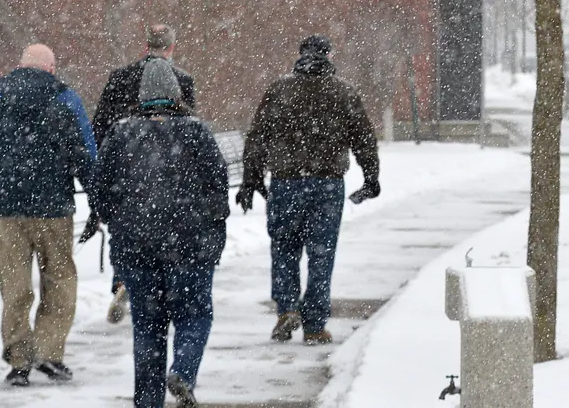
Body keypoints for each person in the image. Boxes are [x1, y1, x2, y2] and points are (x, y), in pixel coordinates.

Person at [0, 43, 96, 388]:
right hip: (53, 209)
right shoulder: (65, 99)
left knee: (15, 286)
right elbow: (85, 151)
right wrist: (99, 199)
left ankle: (19, 359)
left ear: (20, 66)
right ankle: (49, 352)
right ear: (51, 68)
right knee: (60, 281)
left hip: (8, 210)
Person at [90, 60, 229, 408]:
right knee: (194, 314)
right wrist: (211, 231)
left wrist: (119, 221)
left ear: (141, 96)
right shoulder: (197, 132)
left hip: (138, 247)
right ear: (176, 95)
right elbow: (218, 187)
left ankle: (148, 401)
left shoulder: (121, 132)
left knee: (148, 325)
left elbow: (99, 189)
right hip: (190, 246)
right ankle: (182, 370)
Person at [238, 35, 380, 345]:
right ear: (329, 55)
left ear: (301, 55)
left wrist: (252, 178)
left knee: (285, 248)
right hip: (327, 184)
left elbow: (257, 137)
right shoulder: (343, 92)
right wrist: (371, 176)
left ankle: (287, 307)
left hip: (286, 181)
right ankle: (315, 325)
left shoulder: (280, 90)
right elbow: (364, 139)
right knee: (322, 254)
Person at [88, 24, 195, 322]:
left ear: (146, 46)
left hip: (125, 164)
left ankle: (124, 278)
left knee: (125, 226)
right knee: (163, 228)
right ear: (172, 47)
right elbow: (190, 128)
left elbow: (100, 125)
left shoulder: (120, 77)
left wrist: (104, 164)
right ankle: (159, 283)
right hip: (167, 168)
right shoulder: (182, 80)